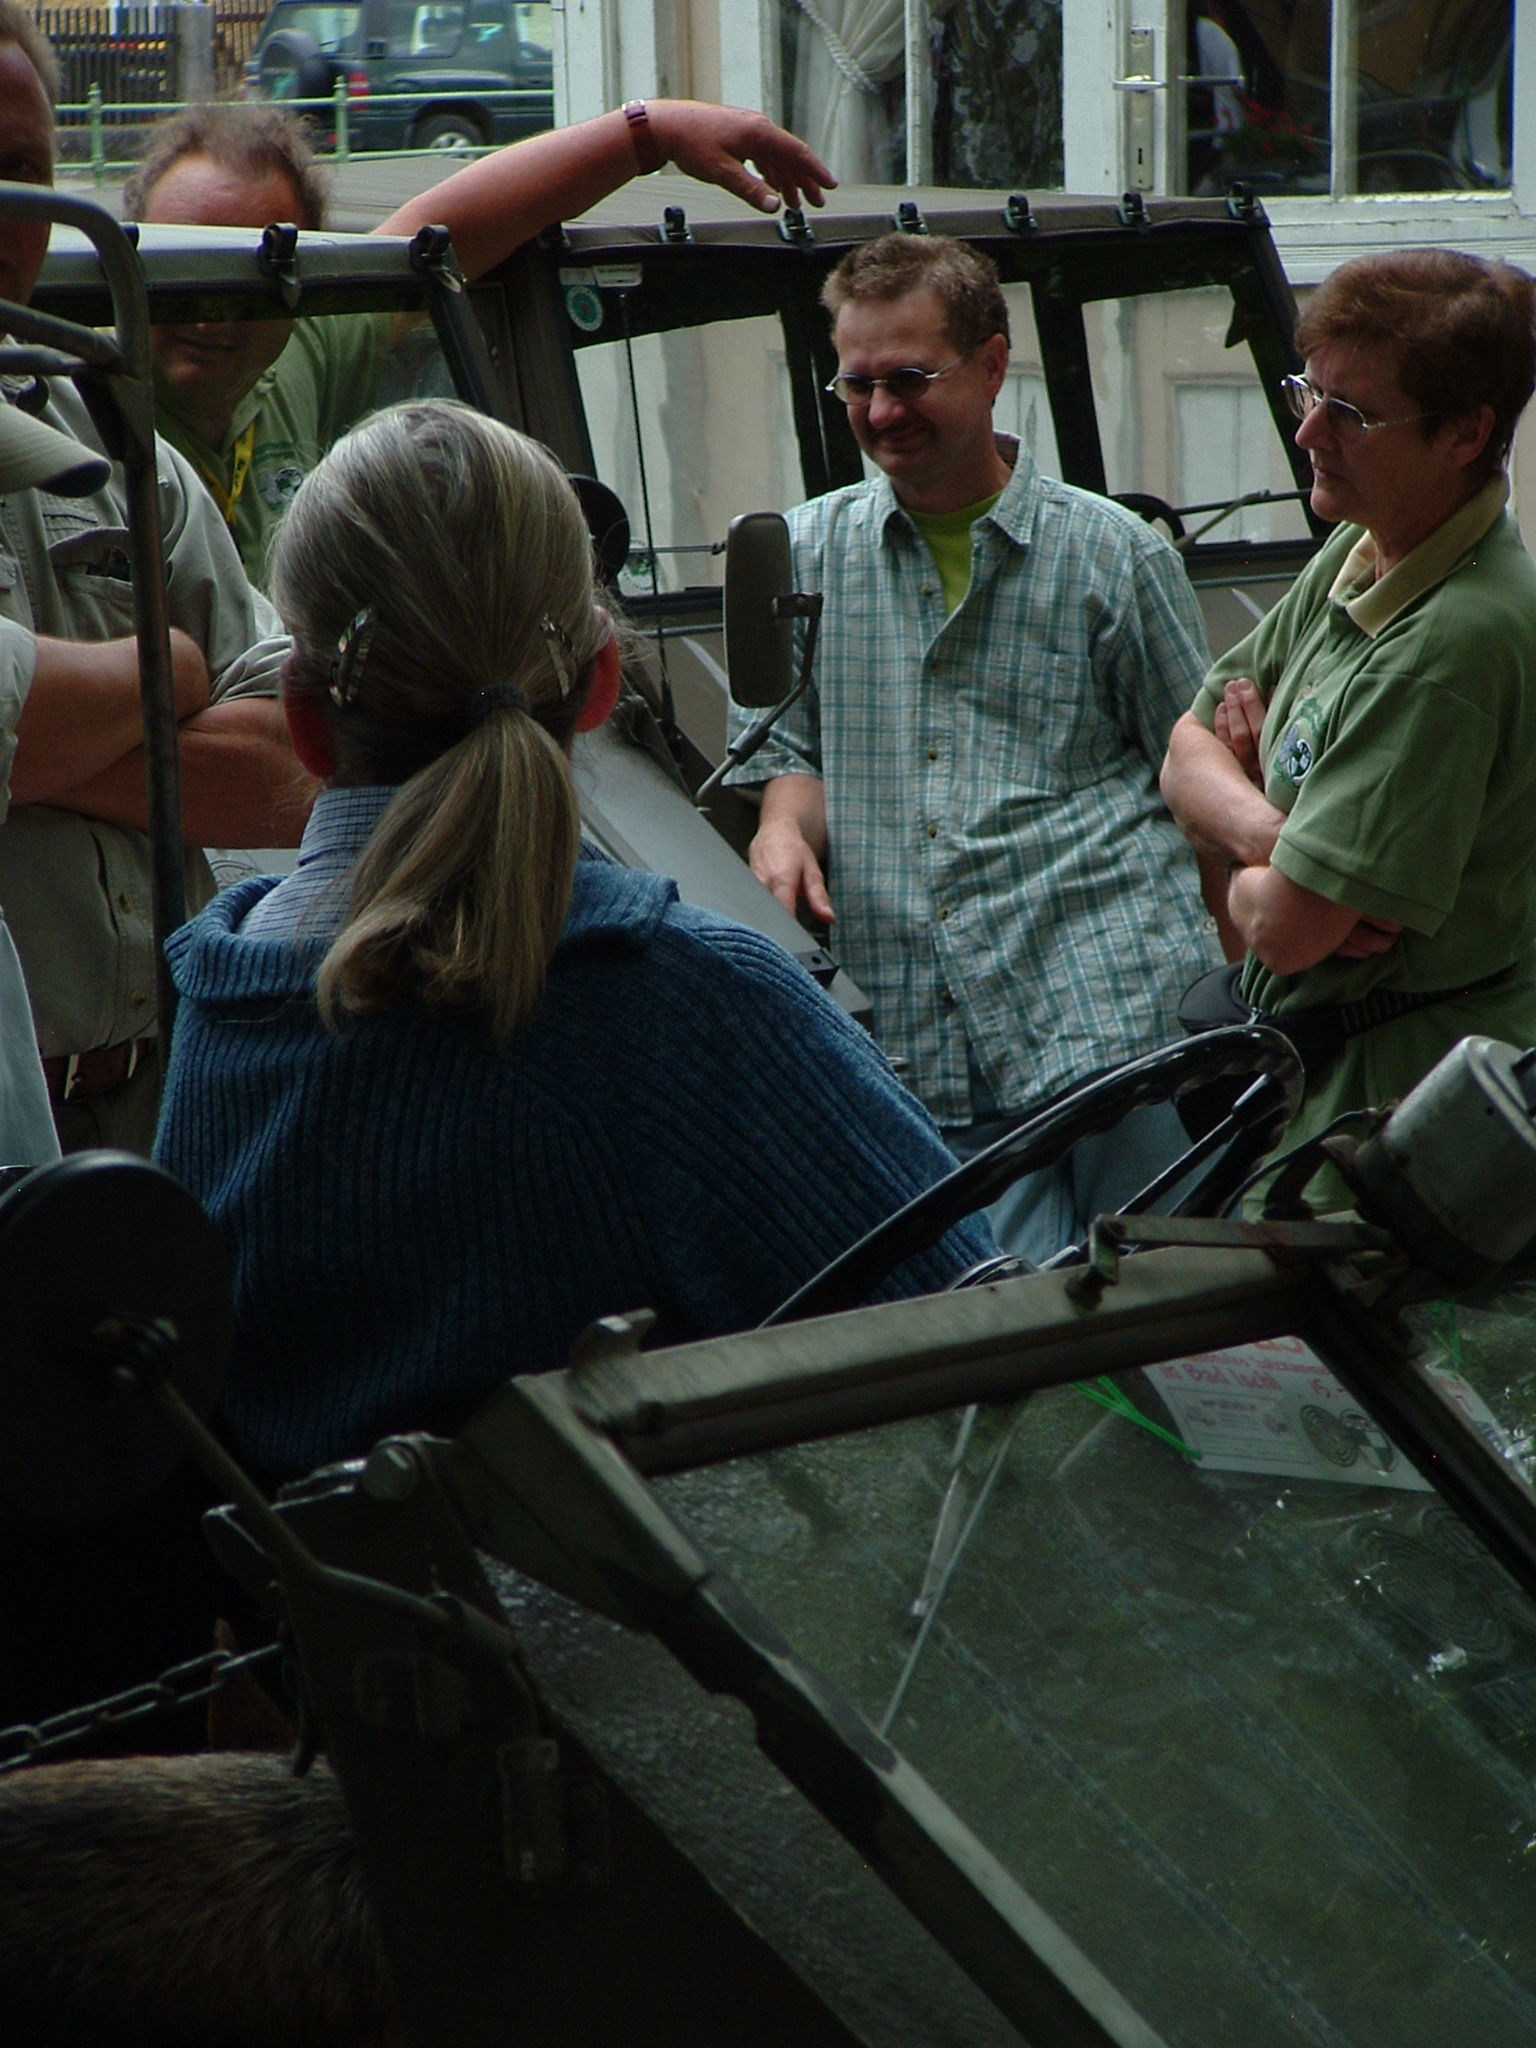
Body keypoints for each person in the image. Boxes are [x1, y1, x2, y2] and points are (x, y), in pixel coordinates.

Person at [154, 401, 994, 1481]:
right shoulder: (682, 1003)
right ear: (600, 681)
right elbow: (990, 1364)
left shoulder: (216, 1015)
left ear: (304, 719)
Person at [730, 233, 1218, 1269]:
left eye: (910, 379)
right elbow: (788, 755)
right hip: (922, 1041)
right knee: (989, 1325)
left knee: (1175, 1310)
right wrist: (782, 830)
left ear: (993, 365)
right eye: (857, 384)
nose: (881, 412)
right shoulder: (804, 555)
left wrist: (1233, 1005)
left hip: (1115, 1019)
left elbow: (1202, 787)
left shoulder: (1117, 556)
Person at [1160, 249, 1536, 1198]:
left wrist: (1231, 838)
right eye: (1308, 393)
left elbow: (1285, 933)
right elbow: (1183, 750)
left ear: (1465, 434)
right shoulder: (1361, 550)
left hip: (1381, 1137)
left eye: (1351, 414)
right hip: (1312, 1093)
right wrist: (1271, 836)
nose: (1308, 433)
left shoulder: (1449, 642)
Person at [123, 100, 834, 584]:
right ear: (123, 268)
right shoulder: (77, 398)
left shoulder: (304, 347)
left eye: (247, 280)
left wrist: (655, 132)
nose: (210, 317)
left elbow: (444, 235)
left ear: (303, 282)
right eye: (176, 275)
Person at [0, 4, 296, 1156]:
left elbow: (285, 768)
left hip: (168, 1096)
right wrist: (164, 674)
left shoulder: (123, 452)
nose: (6, 212)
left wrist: (35, 751)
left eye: (26, 170)